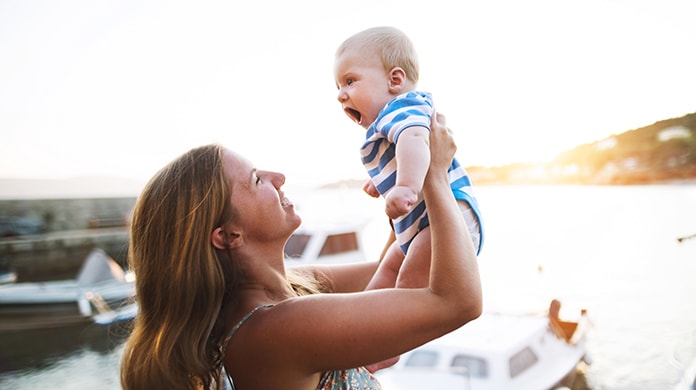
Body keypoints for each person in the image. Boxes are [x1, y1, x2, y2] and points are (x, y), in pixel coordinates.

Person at [119, 112, 482, 390]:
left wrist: (403, 183)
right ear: (228, 235)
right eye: (257, 179)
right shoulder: (272, 330)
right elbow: (457, 301)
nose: (278, 177)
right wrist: (435, 176)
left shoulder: (292, 288)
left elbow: (398, 265)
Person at [333, 26, 484, 293]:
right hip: (425, 221)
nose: (341, 94)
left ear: (395, 80)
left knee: (406, 285)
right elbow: (401, 153)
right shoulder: (391, 119)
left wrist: (405, 186)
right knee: (387, 271)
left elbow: (415, 139)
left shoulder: (402, 107)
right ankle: (367, 312)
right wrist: (380, 181)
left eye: (350, 81)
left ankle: (380, 319)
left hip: (444, 219)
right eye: (339, 86)